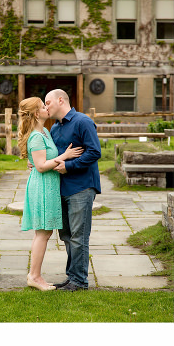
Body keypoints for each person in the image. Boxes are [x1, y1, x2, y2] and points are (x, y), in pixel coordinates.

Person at [17, 97, 84, 291]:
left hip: (49, 185)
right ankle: (34, 276)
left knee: (44, 233)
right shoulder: (36, 136)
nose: (47, 108)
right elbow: (41, 166)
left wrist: (37, 160)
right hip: (42, 186)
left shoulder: (45, 131)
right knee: (43, 233)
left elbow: (40, 160)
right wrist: (65, 156)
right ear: (37, 114)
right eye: (43, 106)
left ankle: (35, 275)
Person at [44, 89, 102, 291]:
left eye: (48, 102)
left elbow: (95, 152)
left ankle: (80, 281)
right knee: (67, 236)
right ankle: (72, 278)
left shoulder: (82, 121)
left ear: (61, 100)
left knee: (79, 236)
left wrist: (69, 166)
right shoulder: (54, 129)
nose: (46, 107)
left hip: (82, 187)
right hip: (62, 188)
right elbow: (56, 156)